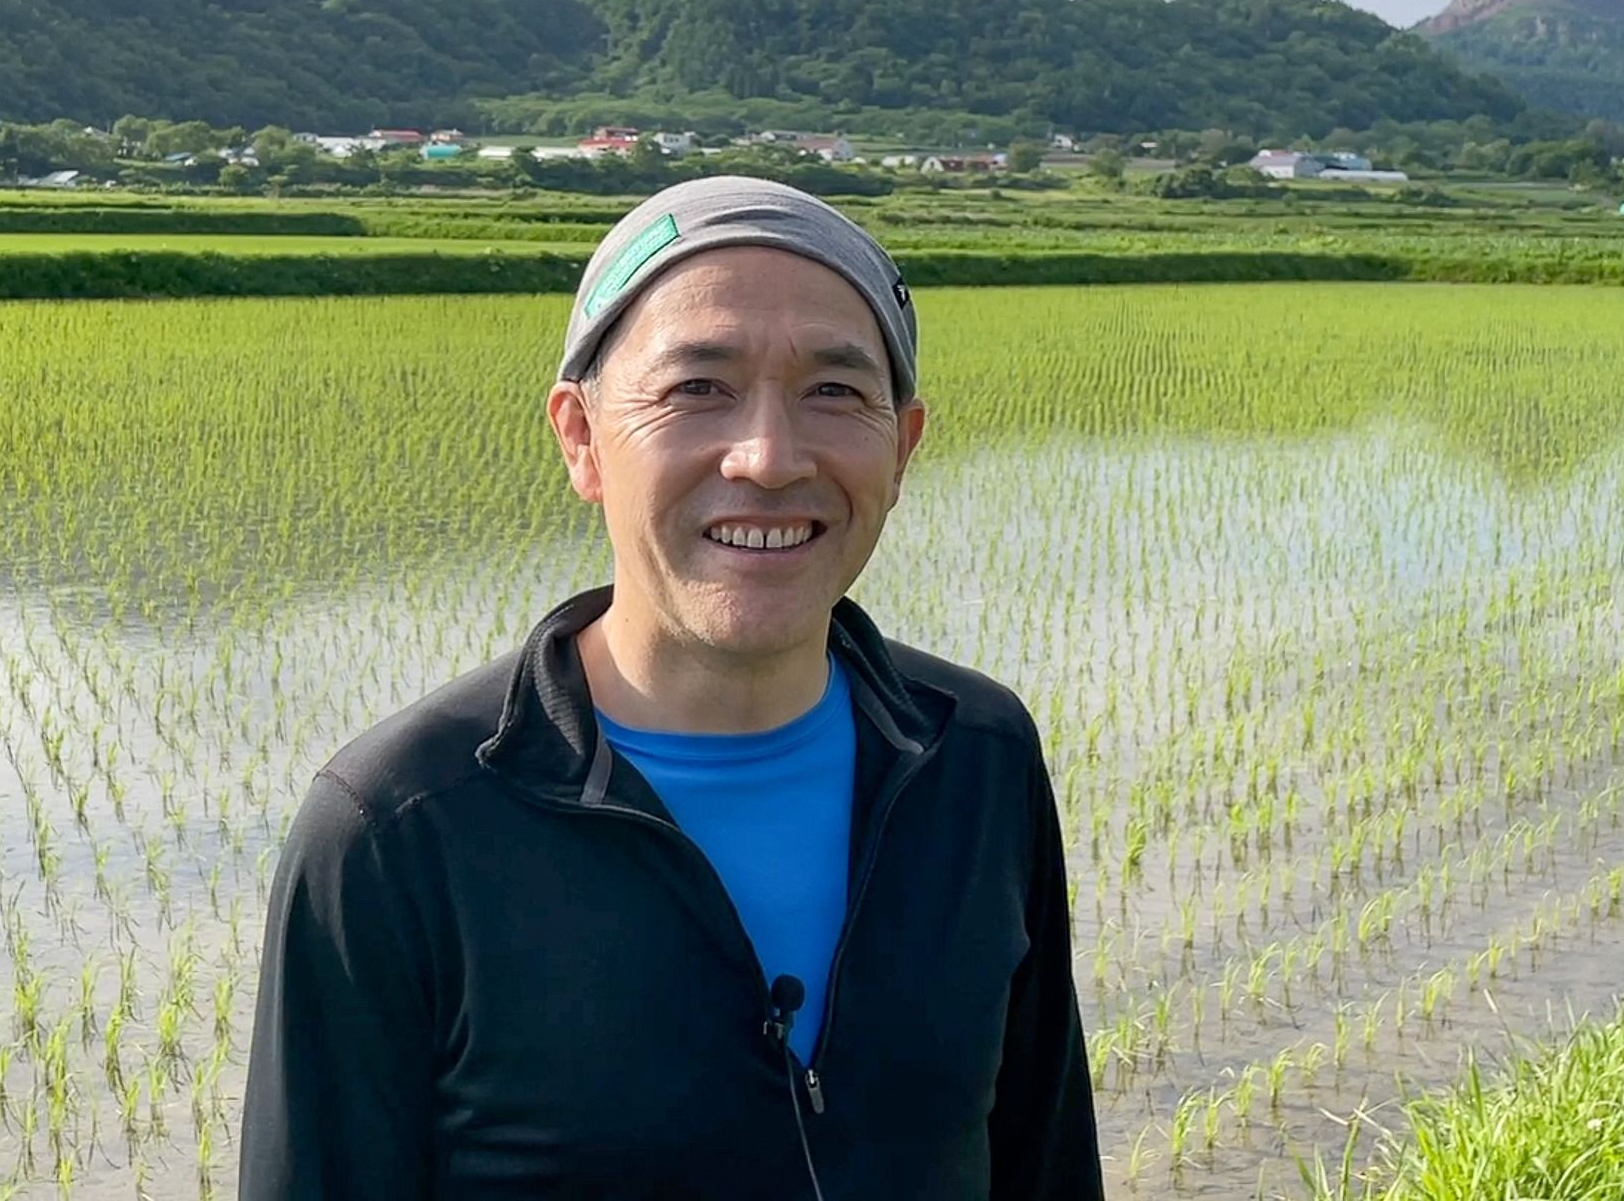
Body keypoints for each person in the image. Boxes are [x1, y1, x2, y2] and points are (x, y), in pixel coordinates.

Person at [239, 175, 1102, 1200]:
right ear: (581, 437)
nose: (770, 457)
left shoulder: (975, 756)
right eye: (699, 387)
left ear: (904, 444)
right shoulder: (398, 830)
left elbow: (1046, 1165)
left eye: (835, 390)